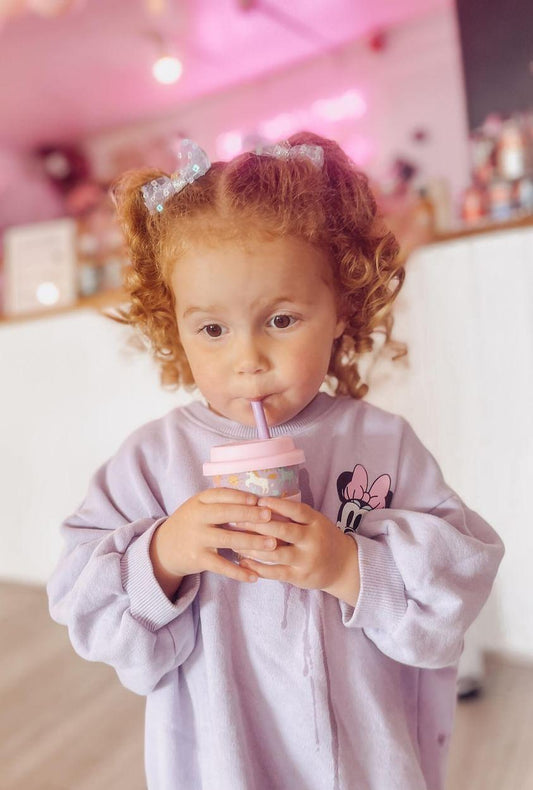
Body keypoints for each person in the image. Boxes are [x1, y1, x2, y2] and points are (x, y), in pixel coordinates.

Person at [47, 133, 504, 790]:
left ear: (341, 310)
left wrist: (352, 566)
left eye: (281, 320)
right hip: (223, 756)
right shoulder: (152, 460)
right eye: (212, 329)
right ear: (172, 325)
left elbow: (461, 570)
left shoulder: (379, 443)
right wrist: (164, 553)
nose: (248, 358)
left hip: (359, 756)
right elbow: (82, 596)